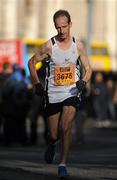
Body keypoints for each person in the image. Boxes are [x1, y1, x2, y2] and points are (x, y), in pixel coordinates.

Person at [28, 9, 92, 178]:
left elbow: (88, 68)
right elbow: (31, 62)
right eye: (58, 28)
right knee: (54, 133)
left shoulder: (78, 45)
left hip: (72, 90)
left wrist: (83, 81)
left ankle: (62, 164)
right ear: (55, 27)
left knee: (66, 127)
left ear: (70, 24)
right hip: (53, 93)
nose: (62, 31)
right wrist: (36, 83)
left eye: (64, 27)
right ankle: (51, 144)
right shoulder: (49, 45)